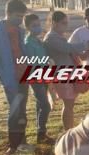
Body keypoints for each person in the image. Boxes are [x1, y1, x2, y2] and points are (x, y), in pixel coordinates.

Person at [0, 0, 28, 155]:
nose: (20, 19)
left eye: (22, 16)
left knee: (22, 110)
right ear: (8, 13)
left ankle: (22, 141)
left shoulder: (20, 31)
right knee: (15, 111)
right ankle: (13, 145)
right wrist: (4, 78)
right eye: (17, 16)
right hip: (11, 79)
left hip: (24, 76)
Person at [44, 11, 89, 131]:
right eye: (63, 23)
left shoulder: (57, 36)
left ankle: (69, 130)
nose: (66, 26)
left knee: (70, 105)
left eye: (66, 23)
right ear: (54, 23)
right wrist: (88, 44)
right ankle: (68, 131)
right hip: (62, 76)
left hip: (68, 74)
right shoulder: (51, 38)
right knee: (68, 105)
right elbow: (68, 48)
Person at [22, 14, 53, 143]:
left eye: (38, 24)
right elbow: (33, 63)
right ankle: (41, 132)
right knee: (45, 106)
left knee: (40, 105)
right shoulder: (28, 43)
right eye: (34, 25)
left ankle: (41, 133)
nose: (37, 27)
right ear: (27, 27)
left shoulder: (38, 41)